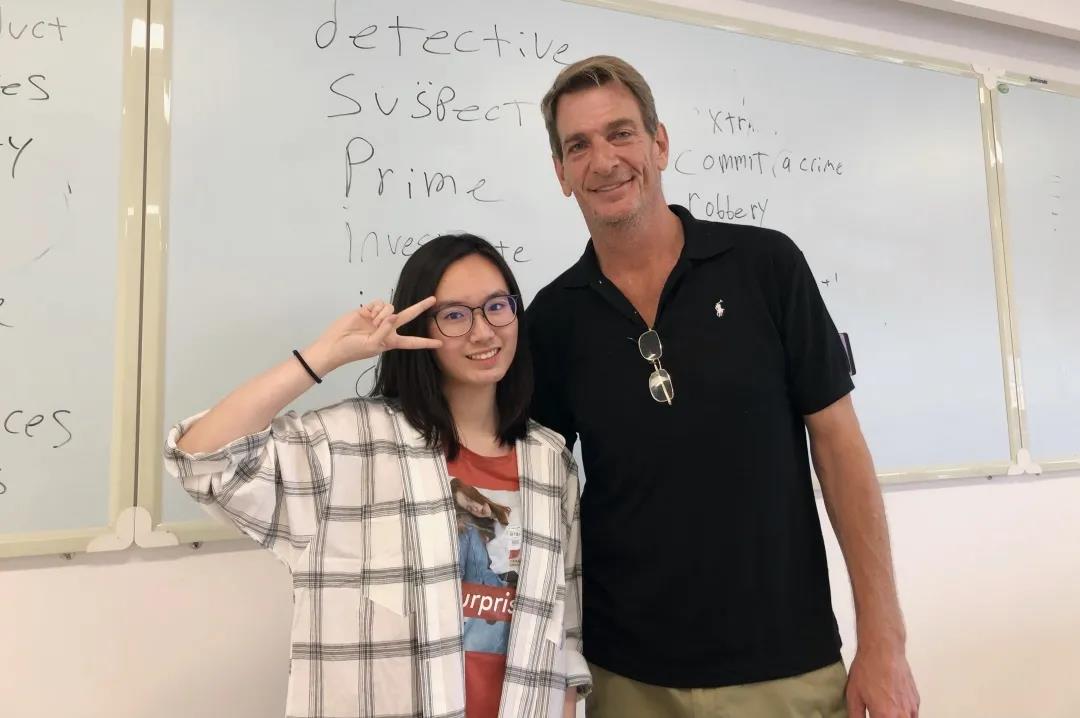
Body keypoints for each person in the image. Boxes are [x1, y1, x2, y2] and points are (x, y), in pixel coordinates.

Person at [528, 56, 920, 718]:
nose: (604, 160)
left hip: (785, 669)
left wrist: (885, 642)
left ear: (659, 143)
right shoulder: (552, 319)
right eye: (579, 146)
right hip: (625, 679)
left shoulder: (766, 268)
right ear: (562, 174)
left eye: (621, 133)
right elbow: (535, 493)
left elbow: (840, 449)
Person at [164, 234, 589, 718]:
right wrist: (324, 355)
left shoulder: (550, 461)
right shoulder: (350, 443)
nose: (482, 331)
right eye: (454, 315)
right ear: (419, 327)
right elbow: (204, 461)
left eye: (496, 307)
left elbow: (564, 630)